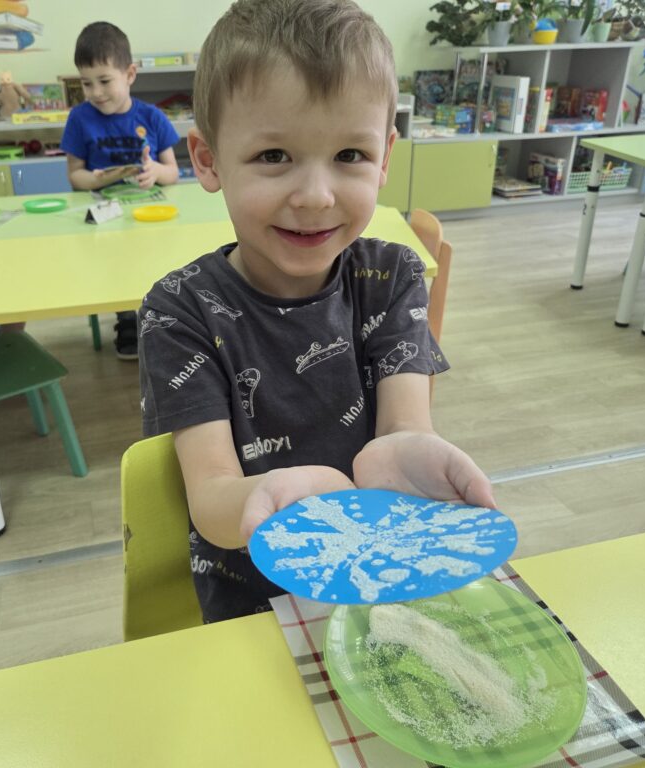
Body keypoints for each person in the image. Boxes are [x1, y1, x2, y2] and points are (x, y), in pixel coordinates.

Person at [138, 0, 497, 623]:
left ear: (385, 157)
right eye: (273, 156)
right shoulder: (179, 312)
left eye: (350, 155)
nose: (315, 196)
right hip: (258, 602)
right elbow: (212, 498)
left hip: (382, 575)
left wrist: (412, 450)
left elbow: (404, 427)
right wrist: (273, 496)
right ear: (208, 159)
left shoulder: (392, 277)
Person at [61, 21, 180, 360]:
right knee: (117, 266)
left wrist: (155, 171)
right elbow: (75, 176)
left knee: (155, 263)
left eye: (104, 81)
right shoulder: (79, 118)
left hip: (149, 213)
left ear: (129, 74)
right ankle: (127, 319)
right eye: (86, 83)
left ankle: (158, 315)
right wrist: (97, 179)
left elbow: (172, 172)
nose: (95, 92)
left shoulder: (151, 116)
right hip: (105, 217)